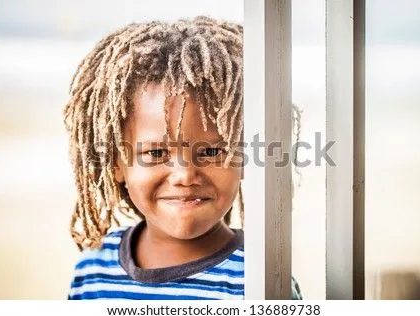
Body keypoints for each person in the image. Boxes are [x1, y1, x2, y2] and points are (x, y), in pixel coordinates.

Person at [64, 16, 302, 300]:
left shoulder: (263, 281)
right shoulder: (93, 270)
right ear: (116, 164)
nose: (185, 175)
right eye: (155, 153)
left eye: (212, 152)